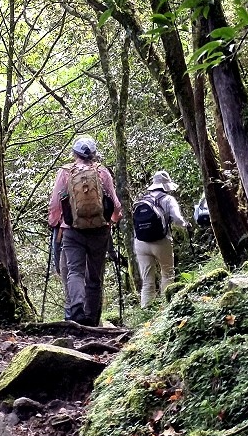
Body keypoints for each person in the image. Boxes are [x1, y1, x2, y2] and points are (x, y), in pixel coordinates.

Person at [48, 135, 122, 325]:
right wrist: (113, 220)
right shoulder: (102, 172)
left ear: (74, 153)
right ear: (94, 154)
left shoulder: (65, 172)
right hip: (100, 230)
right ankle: (91, 318)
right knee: (95, 275)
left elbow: (55, 203)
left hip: (72, 230)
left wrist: (55, 222)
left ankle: (77, 309)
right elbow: (115, 204)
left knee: (75, 271)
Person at [133, 169, 190, 308]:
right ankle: (167, 307)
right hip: (161, 242)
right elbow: (177, 219)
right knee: (168, 274)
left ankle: (146, 309)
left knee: (147, 281)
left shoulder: (142, 200)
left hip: (141, 242)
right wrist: (186, 225)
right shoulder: (168, 199)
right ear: (166, 185)